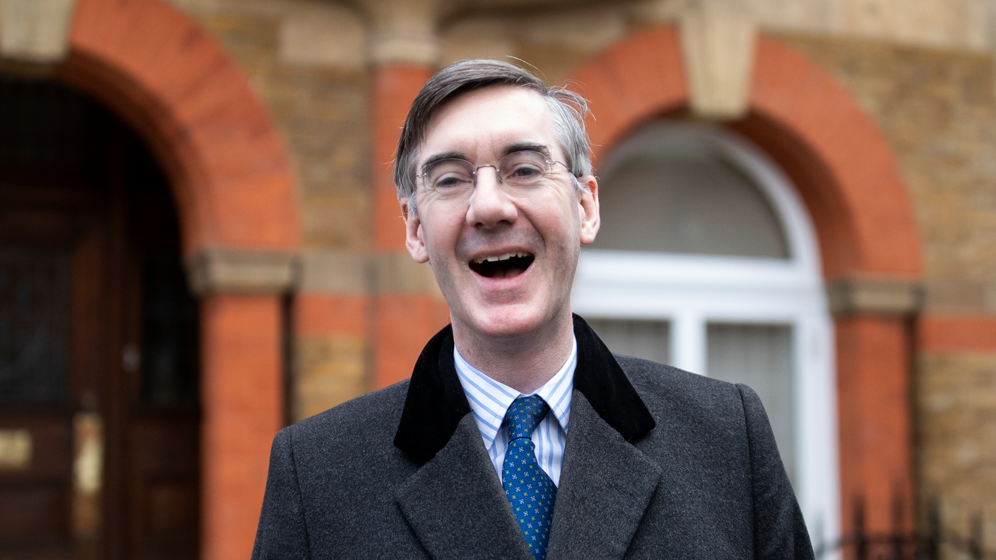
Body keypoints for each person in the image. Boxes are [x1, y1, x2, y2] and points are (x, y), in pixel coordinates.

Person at [252, 59, 814, 559]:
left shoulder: (726, 440)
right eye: (450, 180)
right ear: (416, 229)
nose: (489, 206)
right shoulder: (317, 476)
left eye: (524, 169)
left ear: (585, 205)